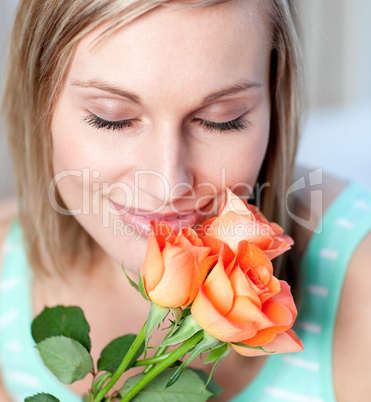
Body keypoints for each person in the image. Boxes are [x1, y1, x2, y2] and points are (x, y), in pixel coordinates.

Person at [0, 0, 370, 401]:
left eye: (221, 119)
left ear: (274, 104)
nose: (168, 185)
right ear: (39, 102)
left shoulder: (358, 280)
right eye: (111, 118)